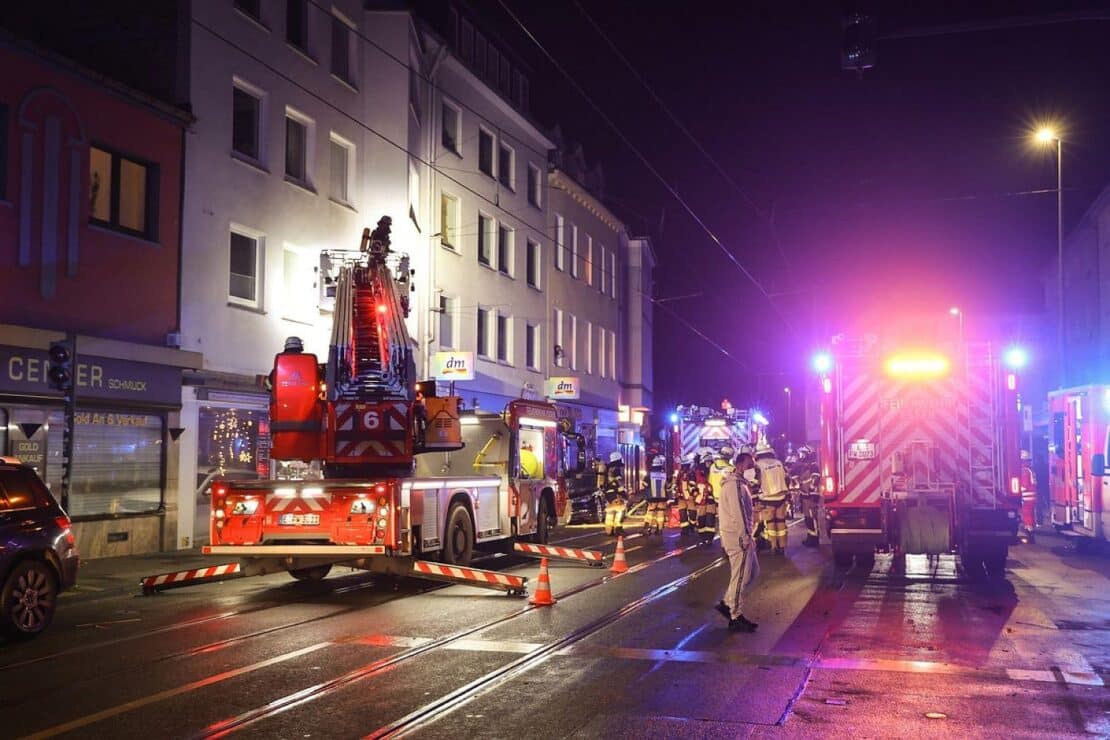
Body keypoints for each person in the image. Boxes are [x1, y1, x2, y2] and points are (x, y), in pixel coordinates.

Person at [715, 452, 760, 632]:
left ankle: (728, 602)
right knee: (741, 575)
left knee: (752, 572)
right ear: (740, 465)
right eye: (750, 465)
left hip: (741, 534)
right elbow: (738, 513)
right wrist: (745, 537)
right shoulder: (734, 485)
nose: (752, 469)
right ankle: (735, 615)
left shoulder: (740, 484)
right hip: (737, 537)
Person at [755, 442, 790, 554]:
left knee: (770, 522)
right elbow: (786, 478)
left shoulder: (758, 465)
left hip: (767, 498)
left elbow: (755, 482)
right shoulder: (779, 463)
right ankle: (782, 546)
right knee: (780, 522)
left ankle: (773, 546)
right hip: (781, 497)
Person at [602, 451, 628, 536]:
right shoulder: (616, 469)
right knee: (620, 509)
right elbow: (619, 482)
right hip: (615, 492)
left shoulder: (608, 469)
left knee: (610, 510)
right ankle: (618, 528)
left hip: (608, 493)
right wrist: (623, 493)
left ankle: (609, 530)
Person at [644, 453, 668, 536]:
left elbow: (644, 484)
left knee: (650, 512)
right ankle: (660, 529)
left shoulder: (649, 474)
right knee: (660, 513)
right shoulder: (664, 474)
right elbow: (668, 485)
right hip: (662, 497)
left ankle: (648, 528)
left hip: (652, 497)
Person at [1020, 450, 1037, 543]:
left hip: (1027, 498)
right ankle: (1030, 530)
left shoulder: (1025, 471)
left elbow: (1024, 486)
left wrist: (1017, 491)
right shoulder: (1030, 470)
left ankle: (1030, 533)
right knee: (1031, 514)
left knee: (1027, 515)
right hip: (1032, 497)